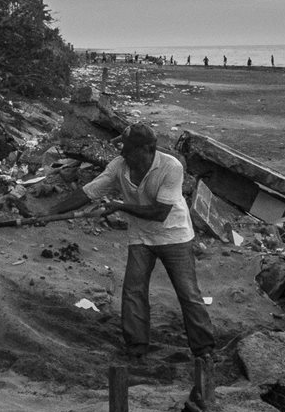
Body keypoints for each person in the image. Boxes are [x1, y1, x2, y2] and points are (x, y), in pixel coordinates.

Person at [45, 122, 213, 366]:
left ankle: (204, 350)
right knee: (133, 291)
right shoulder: (118, 166)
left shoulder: (171, 167)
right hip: (141, 236)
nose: (123, 153)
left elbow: (159, 212)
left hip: (174, 235)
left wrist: (120, 206)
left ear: (148, 149)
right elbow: (87, 192)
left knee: (188, 293)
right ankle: (136, 348)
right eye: (123, 148)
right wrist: (50, 212)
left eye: (130, 149)